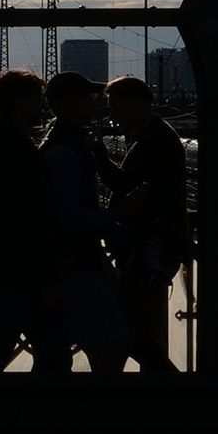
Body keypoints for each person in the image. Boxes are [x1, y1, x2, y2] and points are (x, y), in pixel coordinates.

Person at [0, 70, 71, 372]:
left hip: (2, 273)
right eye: (37, 98)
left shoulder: (0, 148)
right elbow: (23, 223)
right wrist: (46, 278)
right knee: (52, 356)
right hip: (20, 276)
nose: (42, 106)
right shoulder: (16, 155)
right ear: (21, 103)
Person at [40, 71, 132, 372]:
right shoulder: (65, 152)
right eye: (86, 98)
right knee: (116, 343)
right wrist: (118, 215)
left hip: (78, 262)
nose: (94, 105)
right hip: (77, 265)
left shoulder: (66, 146)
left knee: (97, 346)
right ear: (68, 104)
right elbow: (69, 217)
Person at [99, 76, 187, 373]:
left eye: (117, 109)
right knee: (138, 331)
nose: (112, 117)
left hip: (149, 252)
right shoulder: (156, 136)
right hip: (154, 250)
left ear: (138, 106)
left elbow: (125, 185)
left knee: (123, 329)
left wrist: (98, 158)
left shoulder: (152, 140)